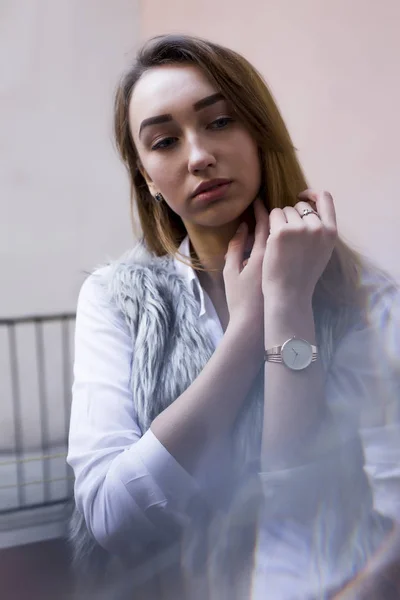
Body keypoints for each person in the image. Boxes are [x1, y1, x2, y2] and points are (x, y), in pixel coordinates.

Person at [67, 34, 400, 599]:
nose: (198, 156)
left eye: (219, 122)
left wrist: (290, 305)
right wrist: (247, 332)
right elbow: (112, 516)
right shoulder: (116, 300)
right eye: (165, 141)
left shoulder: (365, 296)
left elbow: (376, 510)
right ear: (147, 176)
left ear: (259, 129)